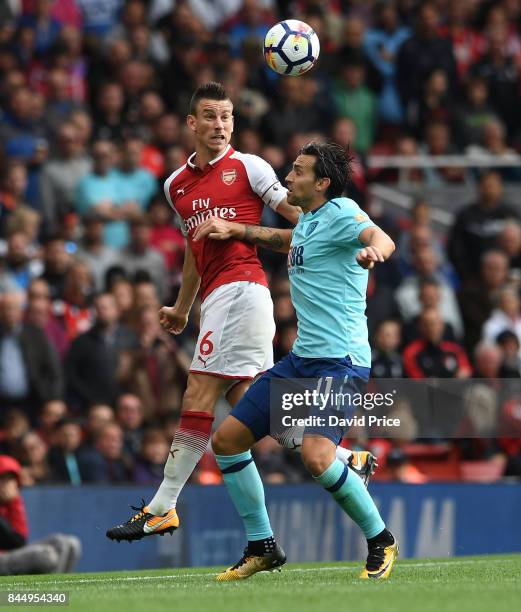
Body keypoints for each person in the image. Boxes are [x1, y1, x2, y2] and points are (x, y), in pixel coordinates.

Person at [106, 83, 375, 543]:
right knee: (244, 402)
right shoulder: (175, 185)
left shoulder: (248, 166)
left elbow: (301, 214)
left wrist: (345, 238)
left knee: (199, 390)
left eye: (227, 117)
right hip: (214, 298)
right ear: (192, 124)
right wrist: (182, 306)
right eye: (210, 116)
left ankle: (163, 505)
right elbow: (196, 248)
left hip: (243, 290)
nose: (220, 125)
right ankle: (345, 459)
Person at [192, 141, 398, 580]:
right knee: (227, 441)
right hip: (301, 360)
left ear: (322, 183)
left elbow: (380, 236)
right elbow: (292, 240)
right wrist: (241, 230)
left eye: (299, 171)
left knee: (316, 458)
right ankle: (262, 545)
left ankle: (381, 539)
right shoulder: (308, 218)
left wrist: (375, 251)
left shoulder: (342, 211)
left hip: (340, 363)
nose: (289, 177)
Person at [0, 455, 81, 575]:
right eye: (4, 479)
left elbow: (20, 538)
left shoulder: (12, 503)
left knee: (69, 544)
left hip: (9, 554)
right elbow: (15, 543)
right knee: (46, 556)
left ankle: (58, 586)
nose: (9, 485)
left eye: (11, 480)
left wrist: (14, 502)